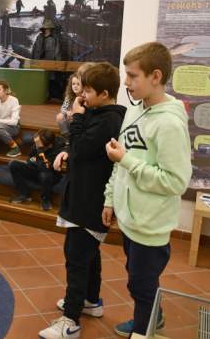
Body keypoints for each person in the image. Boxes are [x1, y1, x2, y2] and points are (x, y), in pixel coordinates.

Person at [103, 42, 192, 338]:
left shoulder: (169, 124)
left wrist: (127, 161)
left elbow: (175, 182)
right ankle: (155, 318)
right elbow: (121, 159)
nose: (126, 83)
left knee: (141, 285)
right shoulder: (135, 110)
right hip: (130, 217)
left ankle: (144, 330)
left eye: (132, 76)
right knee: (139, 281)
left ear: (155, 76)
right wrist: (110, 199)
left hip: (150, 224)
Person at [39, 62, 126, 339]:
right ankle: (91, 300)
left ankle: (71, 320)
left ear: (104, 93)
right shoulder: (98, 113)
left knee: (76, 258)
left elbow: (81, 146)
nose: (82, 95)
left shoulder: (109, 119)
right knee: (88, 254)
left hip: (90, 200)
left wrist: (76, 116)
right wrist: (67, 150)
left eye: (87, 91)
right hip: (82, 195)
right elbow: (77, 148)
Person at [8, 129, 66, 209]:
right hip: (36, 169)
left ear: (49, 146)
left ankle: (46, 199)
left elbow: (47, 167)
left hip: (51, 174)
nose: (36, 146)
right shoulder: (38, 143)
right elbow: (29, 158)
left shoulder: (58, 148)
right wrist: (36, 162)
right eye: (35, 143)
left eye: (39, 146)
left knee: (45, 175)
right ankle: (24, 194)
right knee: (13, 164)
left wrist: (36, 161)